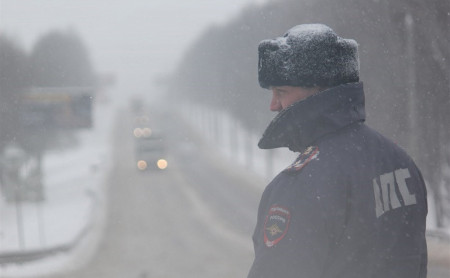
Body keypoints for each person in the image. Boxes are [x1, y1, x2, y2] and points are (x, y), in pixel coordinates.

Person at [247, 24, 427, 278]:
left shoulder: (305, 182)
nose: (273, 105)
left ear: (319, 91)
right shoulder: (399, 162)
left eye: (282, 91)